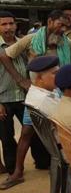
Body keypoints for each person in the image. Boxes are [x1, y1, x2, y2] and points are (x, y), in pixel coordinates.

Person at [0, 11, 49, 181]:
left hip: (26, 96)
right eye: (4, 24)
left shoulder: (24, 43)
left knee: (33, 131)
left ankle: (42, 163)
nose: (8, 27)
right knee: (6, 136)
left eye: (10, 23)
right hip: (3, 98)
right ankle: (13, 169)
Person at [0, 56, 59, 190]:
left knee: (26, 133)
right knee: (24, 134)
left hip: (37, 98)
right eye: (55, 73)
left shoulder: (45, 90)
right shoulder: (42, 98)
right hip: (63, 143)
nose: (59, 76)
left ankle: (18, 171)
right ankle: (17, 171)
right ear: (39, 78)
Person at [1, 10, 71, 79]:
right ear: (50, 22)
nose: (63, 29)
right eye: (61, 25)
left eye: (66, 26)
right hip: (38, 88)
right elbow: (4, 56)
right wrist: (21, 81)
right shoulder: (30, 39)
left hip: (61, 87)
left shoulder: (67, 42)